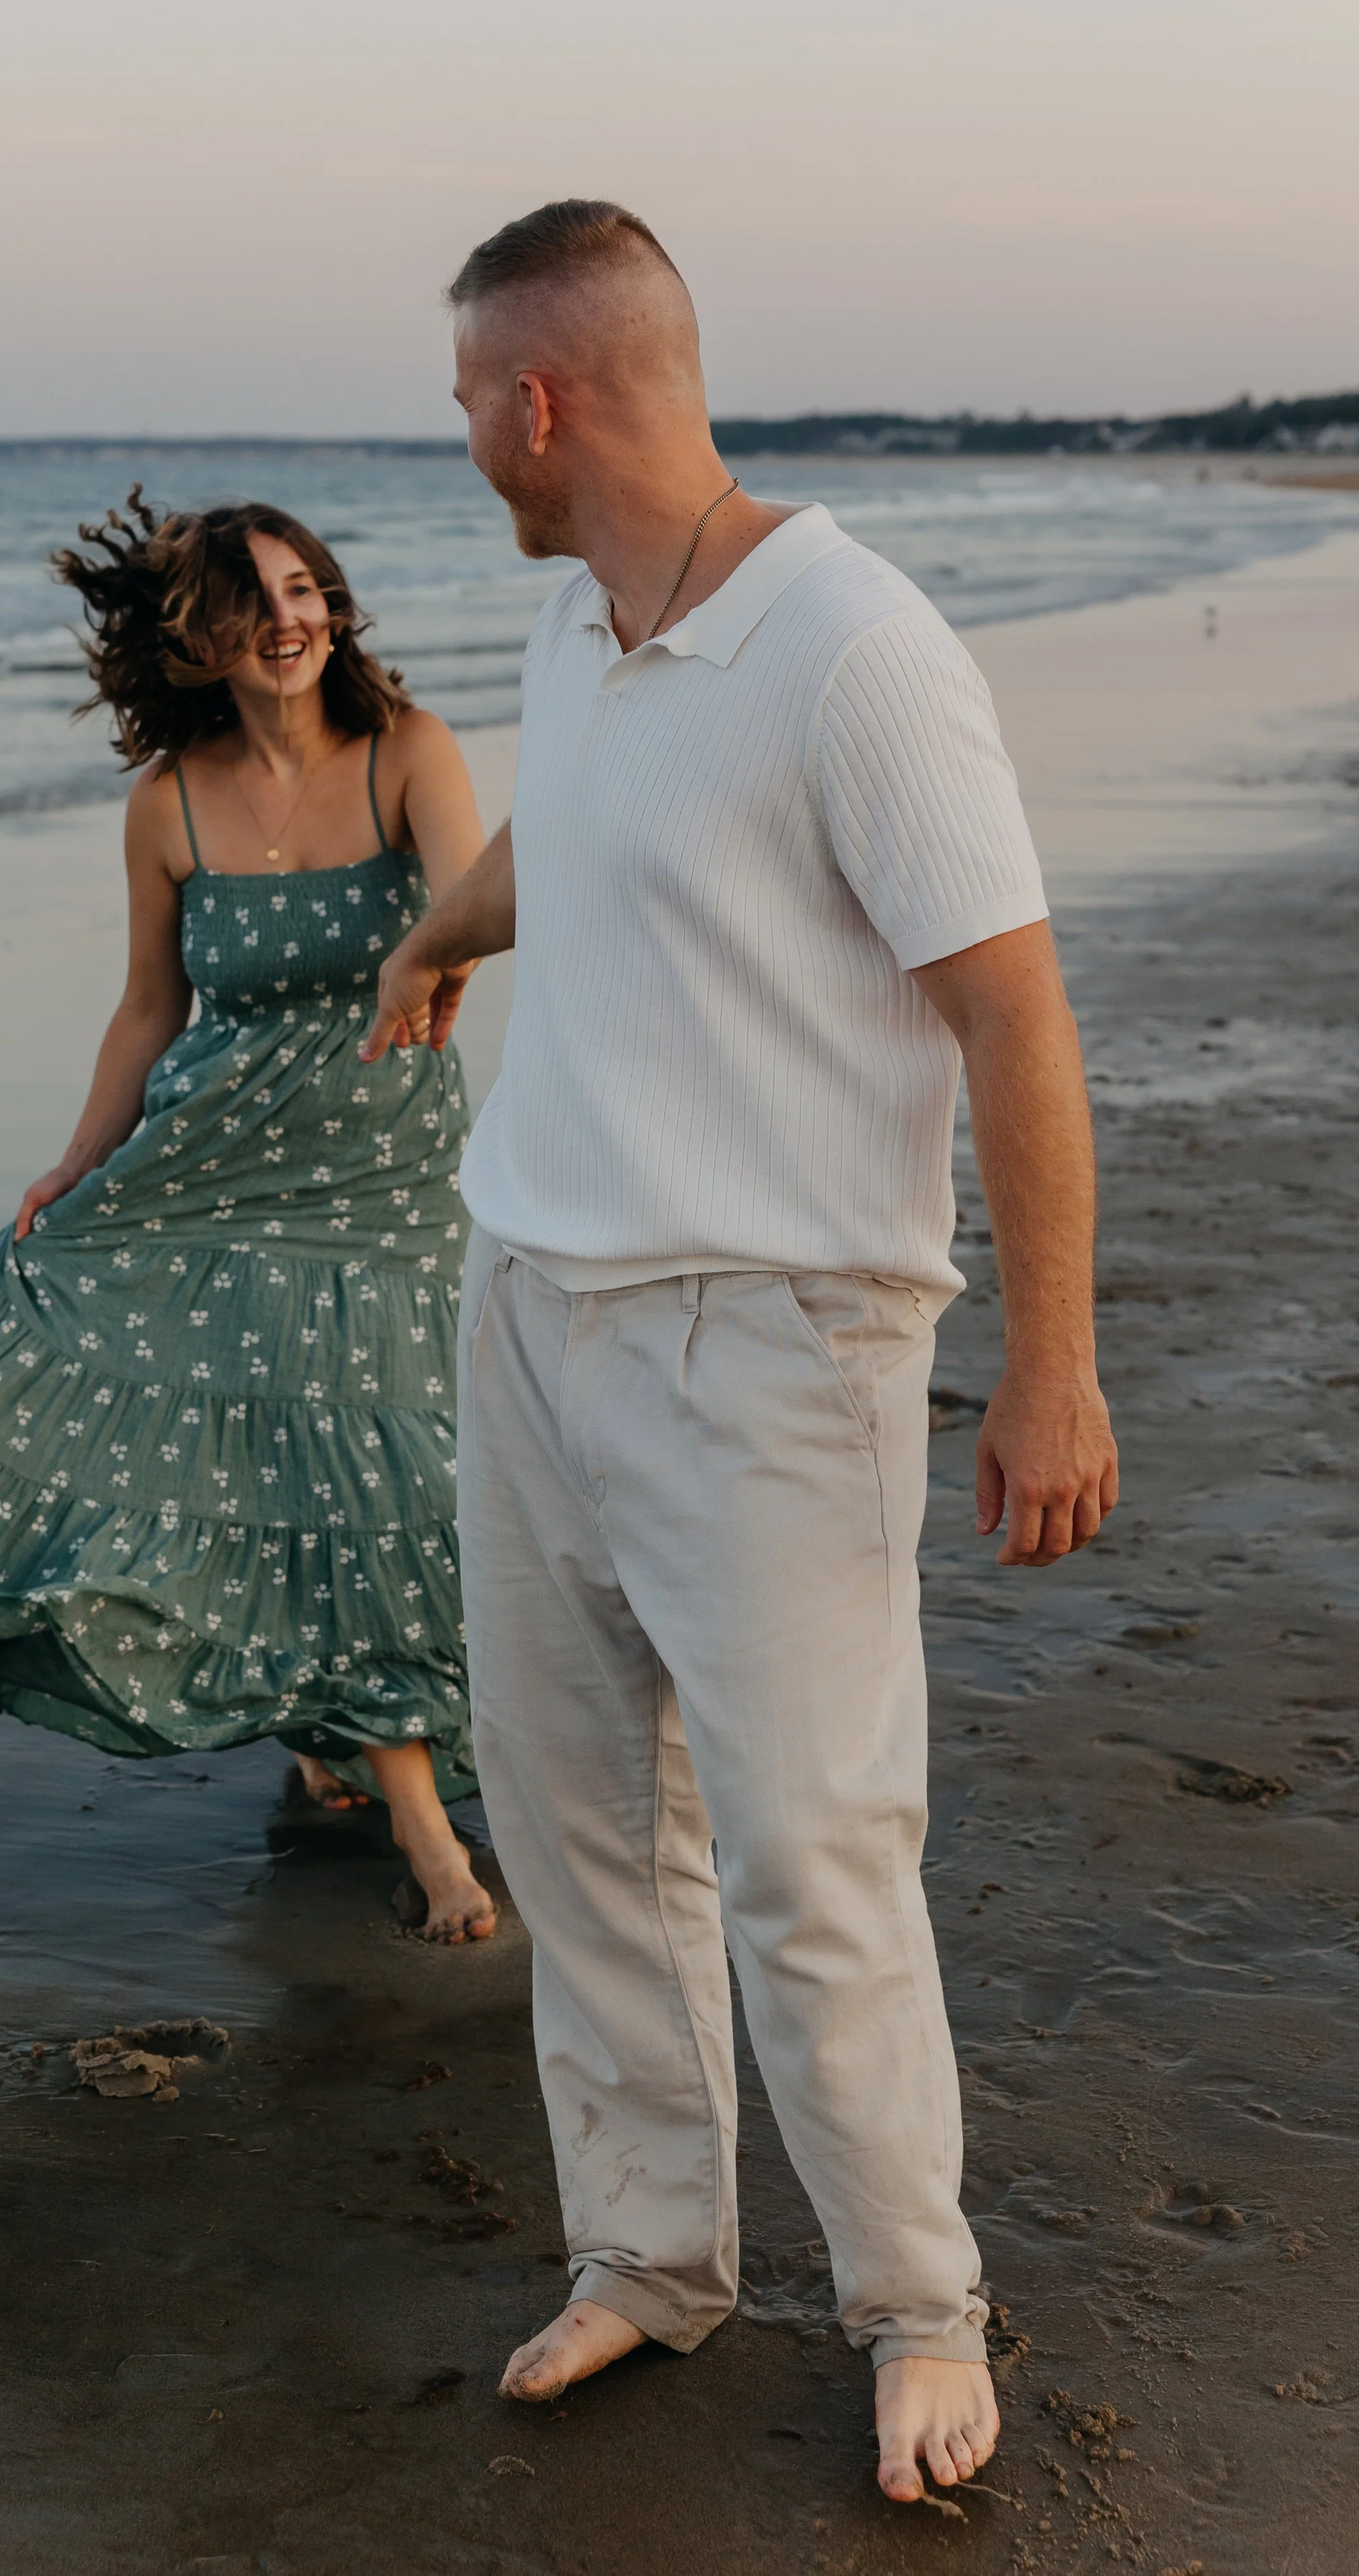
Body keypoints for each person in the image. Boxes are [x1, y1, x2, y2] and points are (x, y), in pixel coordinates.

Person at [362, 203, 1119, 2492]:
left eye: (470, 402)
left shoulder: (854, 650)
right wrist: (440, 929)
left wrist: (1055, 1362)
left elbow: (1011, 1009)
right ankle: (652, 2258)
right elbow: (584, 850)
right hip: (534, 1315)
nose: (468, 441)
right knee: (583, 1834)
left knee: (810, 1855)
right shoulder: (577, 623)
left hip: (774, 1342)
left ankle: (917, 2305)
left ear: (544, 401)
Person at [0, 494, 497, 1943]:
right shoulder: (167, 805)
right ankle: (422, 1825)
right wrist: (76, 1161)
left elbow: (472, 898)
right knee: (237, 1448)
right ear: (193, 635)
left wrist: (430, 955)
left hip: (377, 1174)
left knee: (372, 1460)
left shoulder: (408, 753)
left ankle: (359, 1746)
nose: (292, 619)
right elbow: (149, 1009)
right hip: (206, 1162)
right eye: (257, 600)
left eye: (310, 589)